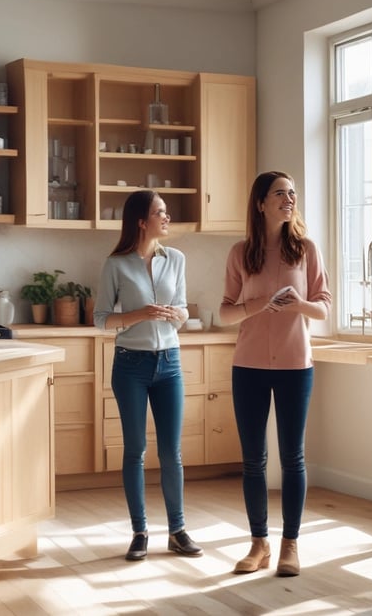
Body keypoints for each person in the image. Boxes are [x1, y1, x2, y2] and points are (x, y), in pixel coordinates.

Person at [220, 170, 331, 577]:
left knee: (292, 457)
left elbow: (323, 307)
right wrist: (261, 304)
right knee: (253, 460)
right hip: (247, 365)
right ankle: (258, 543)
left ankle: (290, 545)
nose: (289, 199)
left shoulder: (306, 250)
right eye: (280, 193)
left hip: (294, 366)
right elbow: (225, 310)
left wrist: (298, 304)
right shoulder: (240, 253)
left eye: (293, 193)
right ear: (261, 203)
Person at [93, 190, 202, 562]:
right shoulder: (116, 264)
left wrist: (176, 315)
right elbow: (102, 319)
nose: (167, 218)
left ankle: (177, 531)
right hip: (131, 365)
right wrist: (140, 314)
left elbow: (185, 309)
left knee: (172, 452)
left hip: (169, 362)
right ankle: (139, 531)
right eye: (161, 213)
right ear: (142, 221)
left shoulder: (176, 259)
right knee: (136, 450)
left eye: (166, 213)